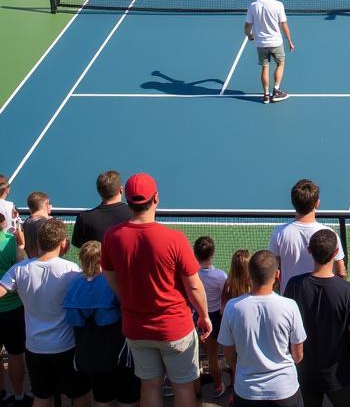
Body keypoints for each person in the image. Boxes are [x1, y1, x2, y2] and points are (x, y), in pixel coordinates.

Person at [100, 173, 212, 407]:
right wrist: (203, 316)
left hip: (135, 328)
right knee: (182, 386)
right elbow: (193, 285)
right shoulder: (174, 239)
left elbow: (111, 277)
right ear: (156, 198)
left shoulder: (112, 237)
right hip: (174, 328)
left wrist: (128, 300)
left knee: (149, 385)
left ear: (127, 200)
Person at [0, 218, 89, 407]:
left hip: (35, 348)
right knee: (80, 394)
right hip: (67, 347)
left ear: (39, 242)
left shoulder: (19, 270)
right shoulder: (72, 270)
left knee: (42, 396)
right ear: (63, 243)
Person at [284, 229, 350, 407]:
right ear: (336, 252)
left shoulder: (293, 285)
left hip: (304, 373)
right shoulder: (349, 291)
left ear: (309, 250)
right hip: (341, 376)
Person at [218, 251, 306, 407]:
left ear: (249, 274)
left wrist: (239, 369)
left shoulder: (233, 307)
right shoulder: (290, 306)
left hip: (247, 391)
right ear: (277, 274)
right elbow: (298, 355)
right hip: (284, 390)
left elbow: (228, 352)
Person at [62, 240, 140, 407]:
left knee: (102, 399)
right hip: (118, 357)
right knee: (128, 400)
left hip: (88, 358)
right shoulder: (113, 283)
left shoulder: (73, 285)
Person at [268, 180, 346, 291]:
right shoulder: (330, 234)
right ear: (317, 203)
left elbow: (272, 269)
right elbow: (341, 272)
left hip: (290, 299)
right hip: (323, 298)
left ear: (293, 203)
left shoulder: (279, 233)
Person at [245, 0, 294, 105]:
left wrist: (249, 35)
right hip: (276, 42)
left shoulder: (253, 6)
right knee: (280, 64)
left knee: (265, 67)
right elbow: (284, 25)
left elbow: (247, 26)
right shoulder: (278, 5)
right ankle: (276, 91)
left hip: (261, 44)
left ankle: (266, 95)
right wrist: (289, 40)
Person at [193, 237, 227, 396]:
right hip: (213, 318)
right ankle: (218, 386)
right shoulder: (221, 276)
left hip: (194, 316)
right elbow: (224, 297)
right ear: (212, 253)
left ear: (195, 254)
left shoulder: (191, 275)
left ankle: (195, 390)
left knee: (192, 356)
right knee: (212, 355)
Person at [0, 213, 27, 407]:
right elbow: (19, 271)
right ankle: (18, 397)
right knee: (15, 355)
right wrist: (21, 246)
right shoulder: (10, 242)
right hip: (12, 310)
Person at [72, 172, 133, 249]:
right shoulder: (134, 214)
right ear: (121, 190)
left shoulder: (85, 218)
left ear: (99, 192)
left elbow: (79, 245)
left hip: (98, 261)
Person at [21, 192, 52, 259]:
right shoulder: (48, 225)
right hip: (45, 262)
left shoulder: (25, 224)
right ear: (46, 204)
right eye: (49, 204)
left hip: (30, 262)